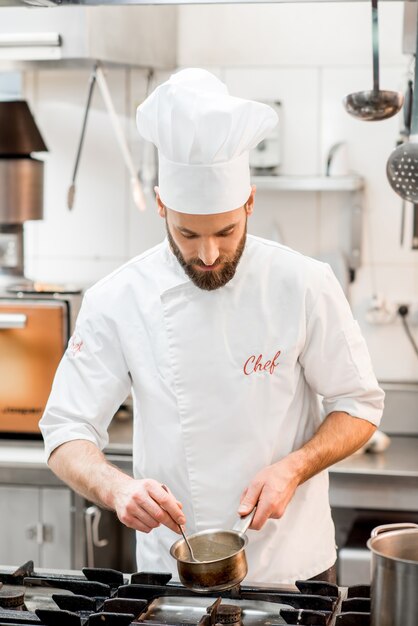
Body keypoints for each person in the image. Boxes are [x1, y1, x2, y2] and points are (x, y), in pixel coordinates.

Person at [40, 68, 384, 585]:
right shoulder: (117, 298)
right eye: (187, 232)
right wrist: (117, 489)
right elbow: (65, 430)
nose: (207, 254)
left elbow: (359, 405)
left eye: (226, 231)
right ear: (160, 205)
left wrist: (294, 467)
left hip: (295, 570)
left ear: (249, 202)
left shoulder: (304, 283)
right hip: (171, 575)